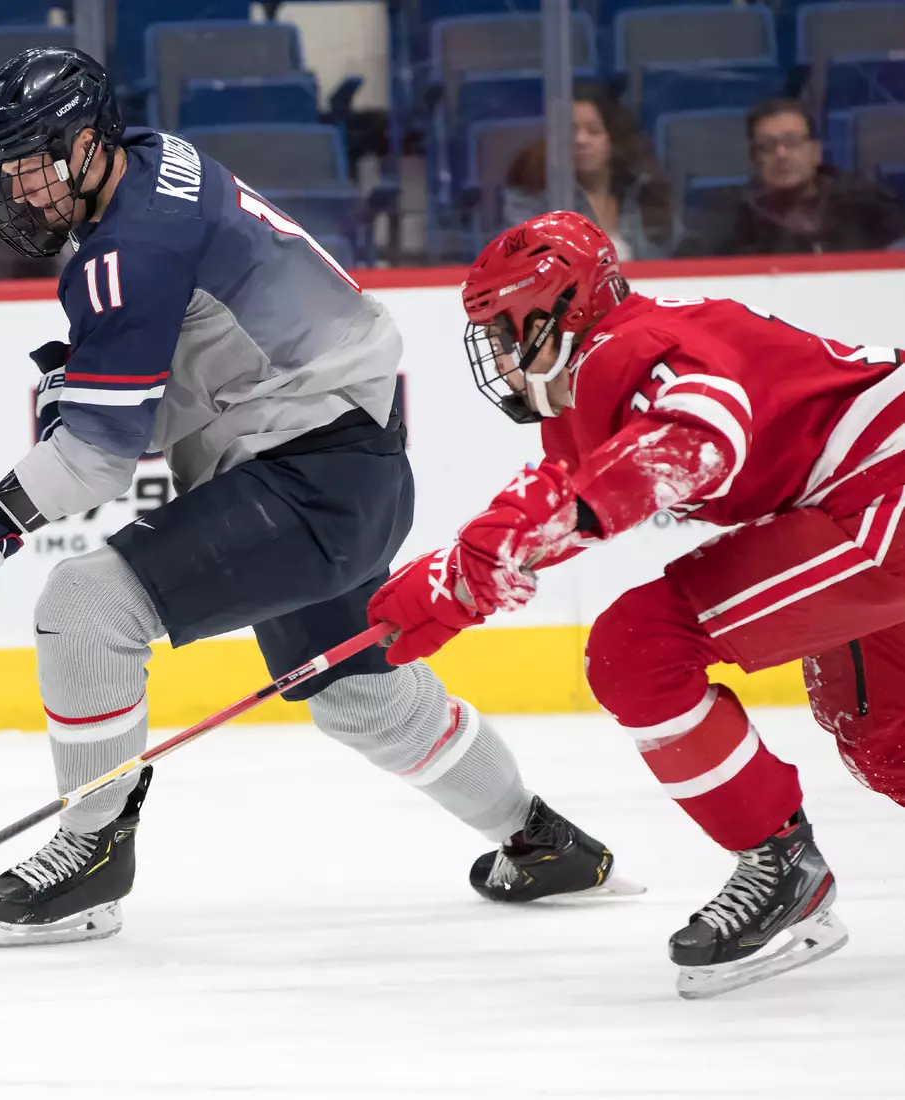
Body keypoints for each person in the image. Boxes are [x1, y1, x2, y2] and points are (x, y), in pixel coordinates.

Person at [0, 47, 637, 950]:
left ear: (85, 145)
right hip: (345, 462)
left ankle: (92, 851)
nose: (17, 188)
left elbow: (103, 458)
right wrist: (100, 383)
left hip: (309, 480)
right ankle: (542, 841)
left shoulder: (129, 248)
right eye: (4, 169)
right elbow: (195, 355)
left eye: (33, 163)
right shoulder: (151, 162)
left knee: (83, 605)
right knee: (359, 695)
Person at [367, 209, 905, 998]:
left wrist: (498, 553)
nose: (501, 358)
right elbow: (566, 496)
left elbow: (703, 436)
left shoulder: (630, 350)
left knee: (640, 648)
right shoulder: (609, 368)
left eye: (504, 332)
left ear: (558, 311)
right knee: (887, 741)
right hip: (863, 494)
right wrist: (460, 573)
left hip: (883, 496)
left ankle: (782, 865)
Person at [677, 98, 905, 257]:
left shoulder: (862, 203)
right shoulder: (732, 218)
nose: (781, 154)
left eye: (792, 142)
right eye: (767, 146)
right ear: (754, 158)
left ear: (816, 152)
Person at [503, 86, 675, 260]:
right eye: (571, 131)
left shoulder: (641, 192)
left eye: (594, 131)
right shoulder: (531, 198)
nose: (581, 140)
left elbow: (669, 256)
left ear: (614, 139)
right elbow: (523, 259)